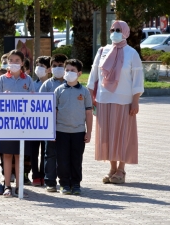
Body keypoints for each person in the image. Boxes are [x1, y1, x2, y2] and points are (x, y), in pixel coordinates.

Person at [87, 20, 144, 184]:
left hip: (124, 100)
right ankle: (112, 168)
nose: (115, 32)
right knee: (107, 135)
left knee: (123, 134)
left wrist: (135, 101)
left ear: (125, 32)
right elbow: (93, 75)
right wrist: (90, 95)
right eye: (112, 29)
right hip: (104, 99)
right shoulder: (102, 51)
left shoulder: (132, 53)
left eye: (118, 29)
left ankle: (121, 169)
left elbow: (137, 79)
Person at [0, 49, 35, 198]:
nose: (13, 63)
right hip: (6, 124)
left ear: (22, 63)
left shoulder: (28, 80)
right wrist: (1, 97)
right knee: (6, 155)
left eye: (16, 61)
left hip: (23, 124)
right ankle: (7, 186)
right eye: (10, 60)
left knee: (19, 155)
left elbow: (34, 100)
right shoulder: (2, 79)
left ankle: (19, 186)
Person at [54, 59, 93, 195]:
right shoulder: (58, 90)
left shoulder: (84, 91)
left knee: (76, 159)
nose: (69, 73)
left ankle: (76, 184)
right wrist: (52, 131)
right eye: (67, 70)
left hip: (78, 132)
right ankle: (64, 184)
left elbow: (89, 113)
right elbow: (54, 112)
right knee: (62, 160)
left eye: (73, 70)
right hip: (61, 131)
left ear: (79, 73)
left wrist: (89, 132)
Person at [39, 54, 68, 192]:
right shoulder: (47, 84)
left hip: (66, 126)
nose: (57, 68)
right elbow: (39, 104)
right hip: (49, 126)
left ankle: (64, 181)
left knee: (64, 155)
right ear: (50, 68)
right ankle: (50, 181)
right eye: (54, 66)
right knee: (49, 154)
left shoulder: (71, 84)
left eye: (61, 66)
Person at [29, 56, 51, 187]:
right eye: (37, 65)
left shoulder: (53, 84)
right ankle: (35, 175)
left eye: (42, 66)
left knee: (46, 151)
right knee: (33, 151)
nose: (38, 68)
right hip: (33, 123)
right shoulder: (32, 83)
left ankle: (43, 174)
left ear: (49, 69)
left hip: (47, 123)